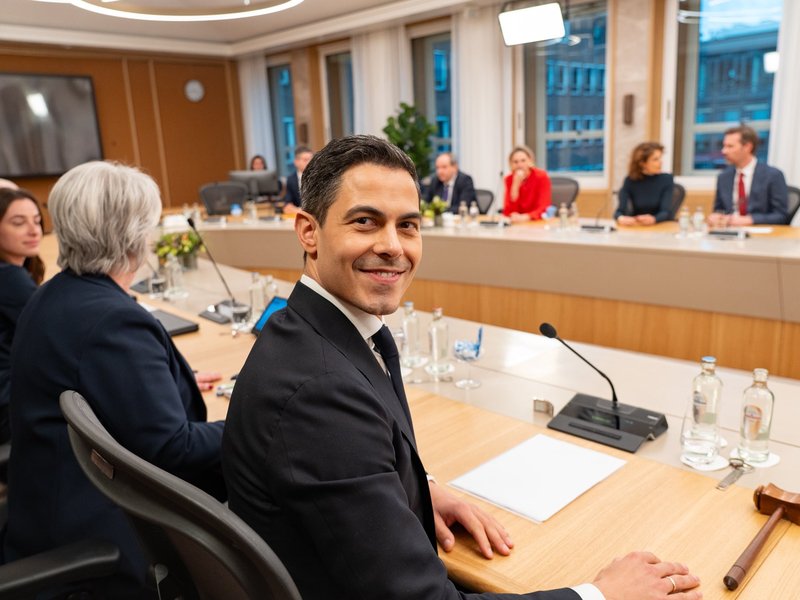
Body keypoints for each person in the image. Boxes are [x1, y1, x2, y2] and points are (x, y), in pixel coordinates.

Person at [222, 135, 701, 600]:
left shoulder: (310, 328)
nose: (394, 246)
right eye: (366, 222)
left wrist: (417, 489)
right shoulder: (320, 391)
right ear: (309, 231)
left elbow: (344, 470)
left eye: (408, 225)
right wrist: (600, 595)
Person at [1, 161, 225, 598]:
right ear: (134, 234)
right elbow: (171, 447)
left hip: (47, 505)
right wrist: (259, 420)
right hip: (101, 530)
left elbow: (110, 388)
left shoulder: (58, 293)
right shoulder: (111, 320)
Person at [0, 188, 44, 444]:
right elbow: (54, 332)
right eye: (19, 223)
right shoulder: (9, 278)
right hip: (9, 409)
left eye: (37, 221)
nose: (33, 230)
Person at [707, 125, 788, 227]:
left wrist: (750, 220)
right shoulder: (723, 177)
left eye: (730, 146)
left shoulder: (773, 175)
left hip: (760, 234)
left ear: (747, 147)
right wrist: (716, 216)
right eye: (724, 146)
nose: (724, 151)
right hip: (728, 234)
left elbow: (781, 216)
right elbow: (719, 209)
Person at [615, 142, 674, 225]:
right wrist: (621, 218)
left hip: (660, 227)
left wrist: (654, 219)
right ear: (642, 163)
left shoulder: (666, 179)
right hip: (638, 228)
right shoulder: (630, 180)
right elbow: (619, 212)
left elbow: (666, 212)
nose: (660, 162)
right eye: (655, 159)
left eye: (660, 158)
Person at [503, 145, 552, 222]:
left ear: (530, 161)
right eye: (515, 162)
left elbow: (544, 207)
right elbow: (508, 211)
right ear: (511, 164)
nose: (519, 165)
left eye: (523, 160)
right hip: (517, 224)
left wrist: (527, 217)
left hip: (537, 221)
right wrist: (515, 185)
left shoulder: (541, 176)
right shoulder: (509, 179)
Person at [283, 145, 314, 213]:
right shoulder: (291, 179)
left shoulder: (319, 176)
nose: (309, 163)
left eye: (311, 160)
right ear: (296, 162)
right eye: (305, 160)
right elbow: (287, 205)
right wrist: (300, 211)